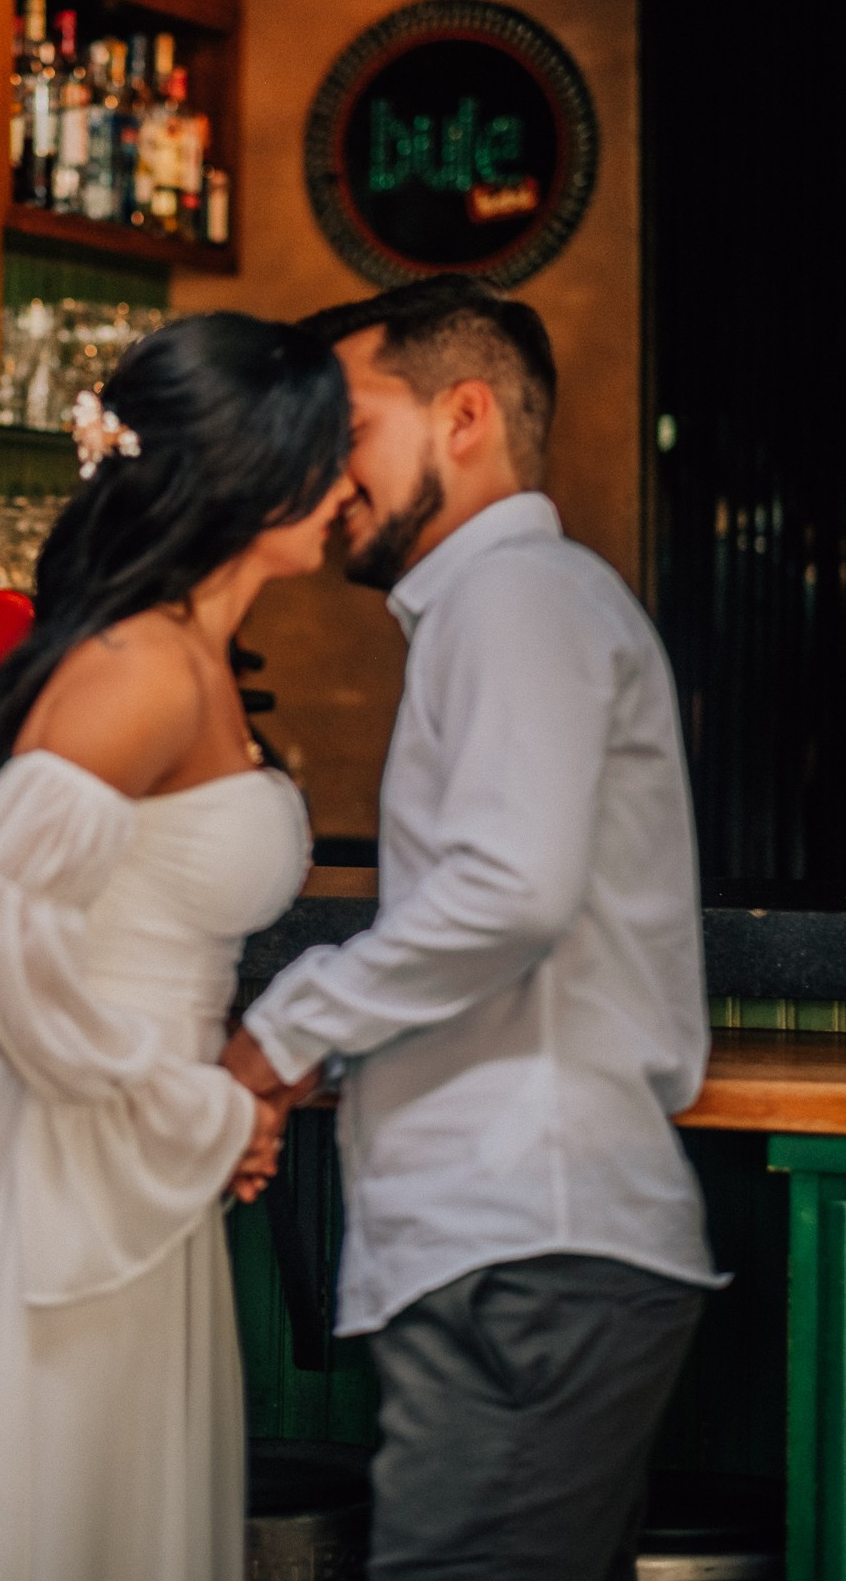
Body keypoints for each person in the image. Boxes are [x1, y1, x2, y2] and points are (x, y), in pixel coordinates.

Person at [0, 311, 352, 1581]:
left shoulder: (193, 652)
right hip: (47, 1178)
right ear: (259, 472)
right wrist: (191, 1104)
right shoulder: (146, 667)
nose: (350, 482)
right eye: (330, 449)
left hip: (122, 1168)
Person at [224, 273, 723, 1581]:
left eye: (349, 429)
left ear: (463, 416)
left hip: (529, 1245)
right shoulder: (495, 607)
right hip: (521, 1247)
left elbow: (508, 889)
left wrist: (283, 1033)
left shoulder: (518, 595)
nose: (323, 473)